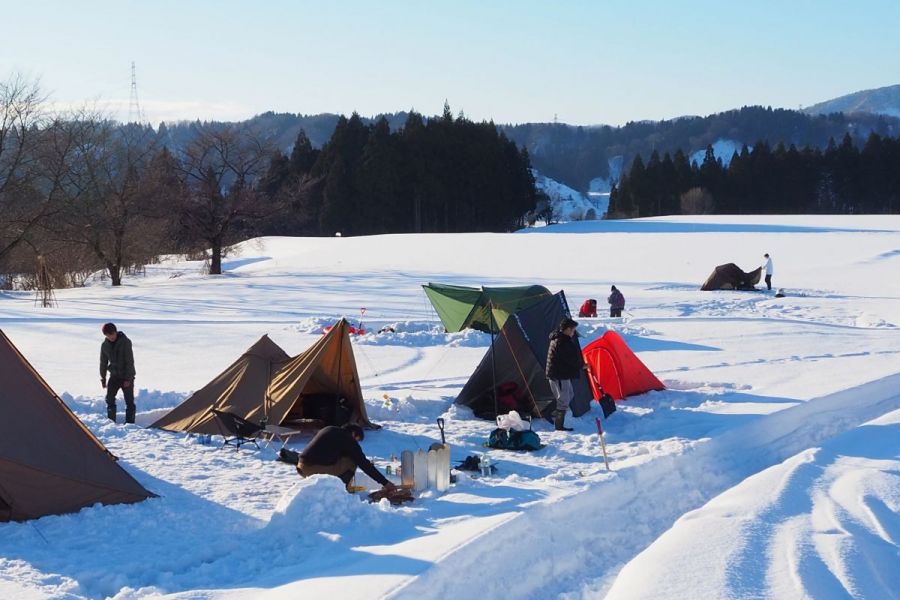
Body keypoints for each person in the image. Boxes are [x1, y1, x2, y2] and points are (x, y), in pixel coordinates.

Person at [297, 423, 396, 492]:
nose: (356, 443)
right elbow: (364, 464)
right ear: (353, 434)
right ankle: (343, 491)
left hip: (301, 466)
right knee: (352, 461)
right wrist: (385, 483)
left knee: (347, 458)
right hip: (313, 469)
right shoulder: (348, 439)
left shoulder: (330, 429)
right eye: (357, 440)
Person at [545, 317, 586, 431]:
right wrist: (581, 365)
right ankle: (559, 426)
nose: (573, 332)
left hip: (562, 373)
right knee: (564, 400)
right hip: (558, 374)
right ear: (567, 329)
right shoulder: (561, 341)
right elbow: (569, 359)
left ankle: (549, 411)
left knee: (570, 395)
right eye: (573, 330)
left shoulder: (562, 339)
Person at [100, 322, 136, 423]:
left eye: (112, 334)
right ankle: (111, 422)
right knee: (109, 399)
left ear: (115, 332)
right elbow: (103, 362)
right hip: (114, 376)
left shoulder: (125, 342)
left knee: (129, 401)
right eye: (108, 335)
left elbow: (129, 361)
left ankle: (130, 423)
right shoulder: (105, 345)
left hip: (126, 376)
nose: (111, 337)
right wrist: (103, 378)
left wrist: (128, 378)